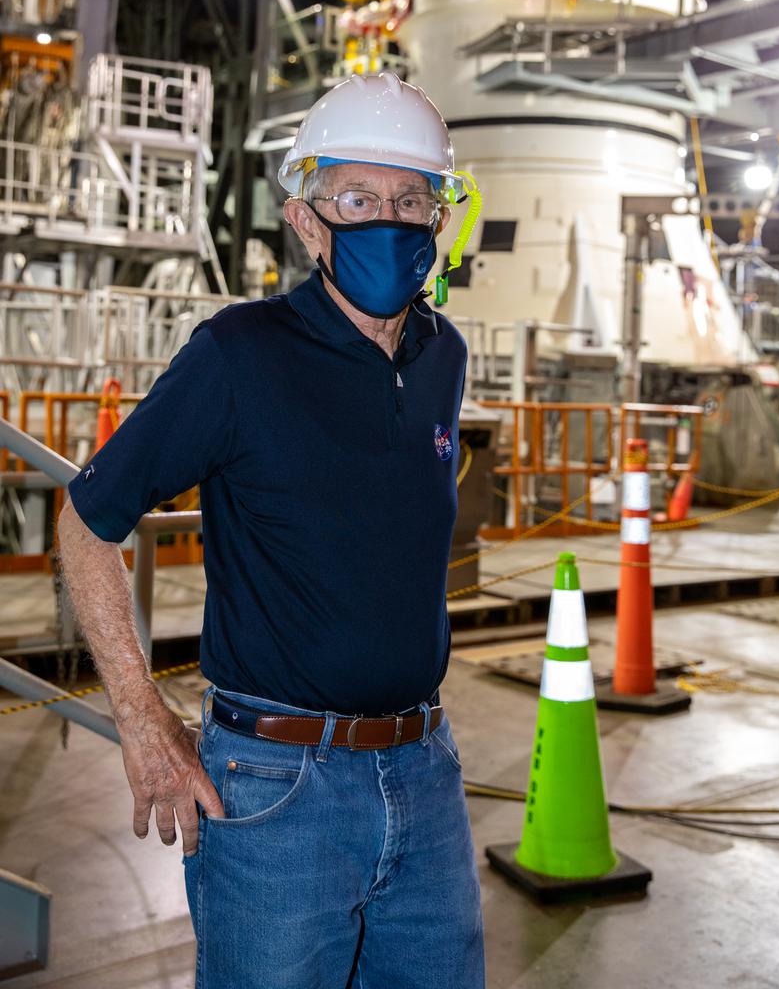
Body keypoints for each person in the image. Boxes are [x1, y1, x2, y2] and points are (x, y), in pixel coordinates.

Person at [57, 71, 486, 989]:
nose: (389, 218)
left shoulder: (442, 353)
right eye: (359, 198)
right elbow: (87, 523)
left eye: (412, 199)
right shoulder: (238, 353)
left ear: (441, 216)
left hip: (425, 772)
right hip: (275, 786)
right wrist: (140, 720)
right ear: (306, 220)